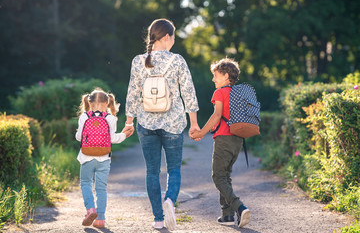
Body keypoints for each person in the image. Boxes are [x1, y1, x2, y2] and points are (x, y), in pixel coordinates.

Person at [123, 18, 200, 230]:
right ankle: (169, 201)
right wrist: (193, 123)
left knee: (152, 171)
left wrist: (129, 121)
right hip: (173, 123)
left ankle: (158, 218)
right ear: (166, 37)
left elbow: (132, 94)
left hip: (146, 123)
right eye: (173, 37)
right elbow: (189, 93)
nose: (174, 41)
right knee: (174, 169)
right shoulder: (177, 61)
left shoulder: (138, 61)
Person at [189, 58, 251, 228]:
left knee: (218, 176)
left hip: (223, 139)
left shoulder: (220, 92)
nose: (213, 79)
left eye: (215, 75)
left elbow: (217, 115)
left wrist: (201, 132)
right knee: (225, 176)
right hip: (238, 140)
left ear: (225, 76)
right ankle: (227, 215)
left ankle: (240, 207)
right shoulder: (239, 93)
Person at [75, 88, 133, 228]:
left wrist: (78, 132)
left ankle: (90, 209)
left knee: (86, 183)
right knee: (101, 188)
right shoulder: (111, 118)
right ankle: (100, 219)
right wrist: (125, 135)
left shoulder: (84, 117)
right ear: (107, 103)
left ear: (89, 102)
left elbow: (79, 138)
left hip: (87, 157)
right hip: (104, 158)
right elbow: (113, 139)